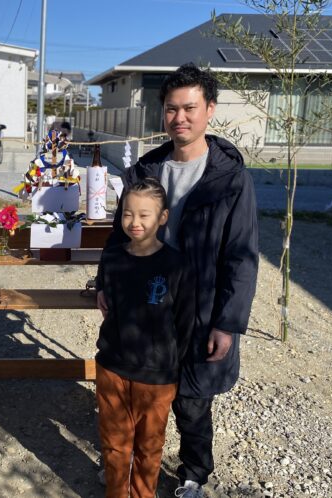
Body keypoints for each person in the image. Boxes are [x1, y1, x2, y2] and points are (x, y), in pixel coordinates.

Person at [98, 63, 259, 498]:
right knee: (135, 389)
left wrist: (228, 322)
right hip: (145, 307)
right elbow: (119, 232)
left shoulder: (230, 179)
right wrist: (103, 284)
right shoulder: (147, 170)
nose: (180, 118)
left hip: (201, 307)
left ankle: (193, 473)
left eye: (190, 108)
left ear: (209, 109)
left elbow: (241, 256)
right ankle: (119, 461)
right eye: (171, 109)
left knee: (191, 400)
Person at [96, 177, 195, 498]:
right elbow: (105, 292)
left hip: (157, 377)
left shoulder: (177, 265)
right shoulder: (111, 258)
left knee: (149, 448)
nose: (134, 222)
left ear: (162, 217)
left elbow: (185, 322)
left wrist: (173, 367)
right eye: (127, 214)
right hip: (112, 365)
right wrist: (99, 288)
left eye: (144, 215)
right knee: (114, 444)